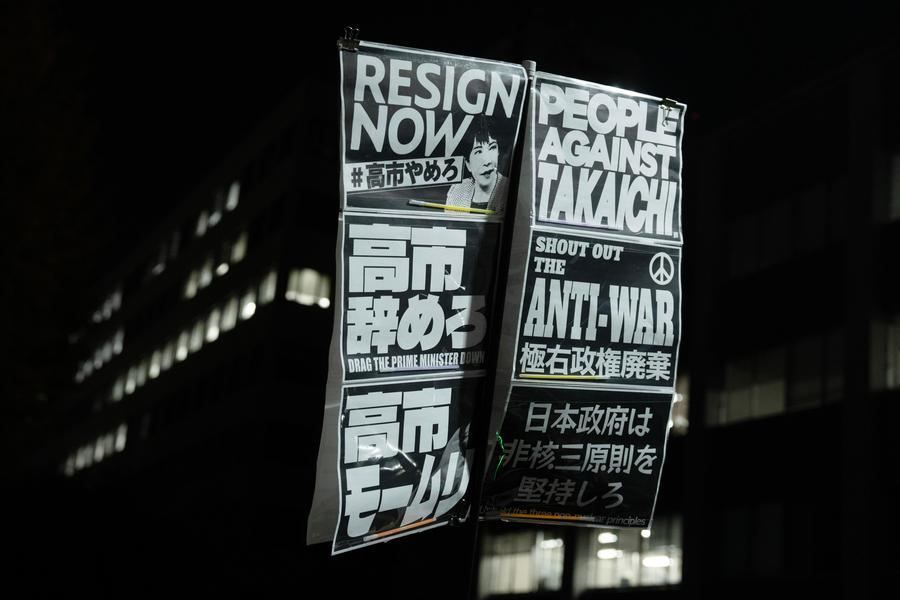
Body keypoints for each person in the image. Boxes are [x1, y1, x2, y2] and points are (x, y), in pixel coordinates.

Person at [446, 117, 508, 213]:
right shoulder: (457, 190)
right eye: (478, 151)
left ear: (498, 152)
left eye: (492, 148)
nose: (487, 161)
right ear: (468, 164)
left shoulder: (509, 189)